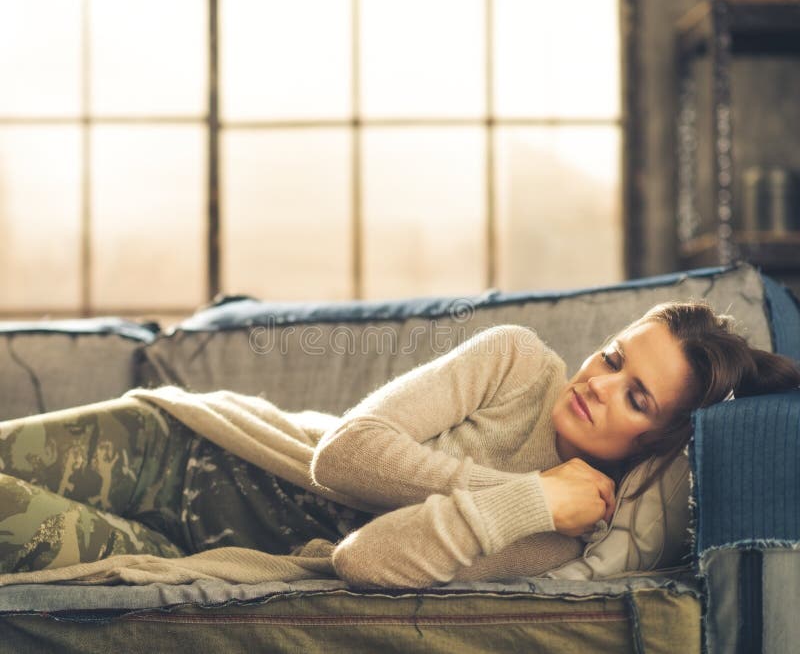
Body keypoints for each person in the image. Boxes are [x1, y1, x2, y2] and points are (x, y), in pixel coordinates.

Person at [0, 301, 798, 588]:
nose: (598, 381)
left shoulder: (557, 528)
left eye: (635, 394)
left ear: (660, 439)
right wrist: (505, 487)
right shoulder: (519, 362)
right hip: (178, 444)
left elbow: (362, 559)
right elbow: (342, 454)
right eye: (614, 356)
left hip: (178, 548)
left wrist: (530, 502)